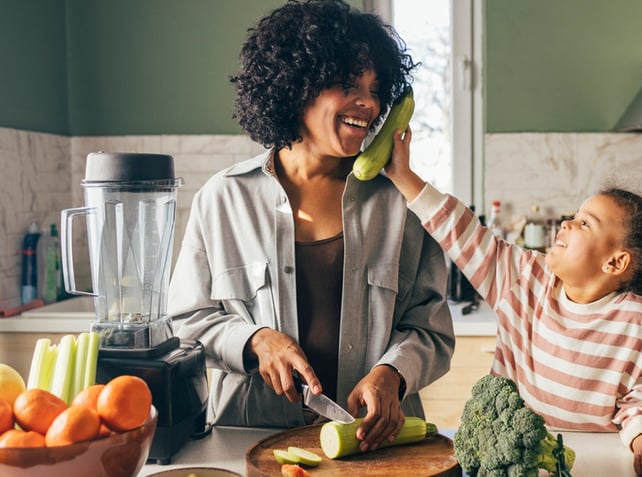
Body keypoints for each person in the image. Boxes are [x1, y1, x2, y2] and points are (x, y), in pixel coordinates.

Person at [167, 0, 455, 453]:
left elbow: (432, 330)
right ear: (295, 88)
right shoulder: (223, 198)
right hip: (248, 439)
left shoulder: (402, 204)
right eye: (346, 84)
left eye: (375, 88)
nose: (368, 103)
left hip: (375, 447)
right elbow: (185, 322)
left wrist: (393, 373)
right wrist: (255, 341)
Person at [383, 128, 642, 476]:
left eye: (585, 224)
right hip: (517, 461)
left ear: (615, 263)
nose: (567, 223)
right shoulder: (523, 278)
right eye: (575, 215)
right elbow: (462, 231)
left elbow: (641, 402)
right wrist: (404, 177)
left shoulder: (635, 321)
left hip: (596, 463)